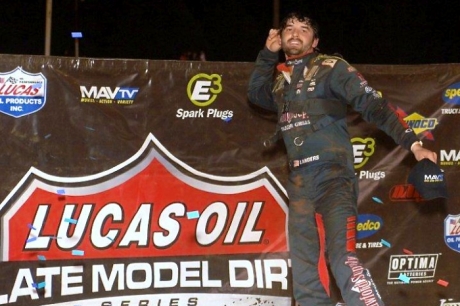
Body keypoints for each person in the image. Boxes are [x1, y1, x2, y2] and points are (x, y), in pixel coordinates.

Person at [247, 11, 437, 306]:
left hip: (332, 176)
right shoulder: (281, 79)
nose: (295, 33)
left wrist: (413, 144)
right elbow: (255, 95)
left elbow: (374, 106)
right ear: (281, 37)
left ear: (315, 40)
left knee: (342, 257)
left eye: (304, 28)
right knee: (305, 272)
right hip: (298, 181)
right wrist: (267, 55)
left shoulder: (331, 67)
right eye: (289, 28)